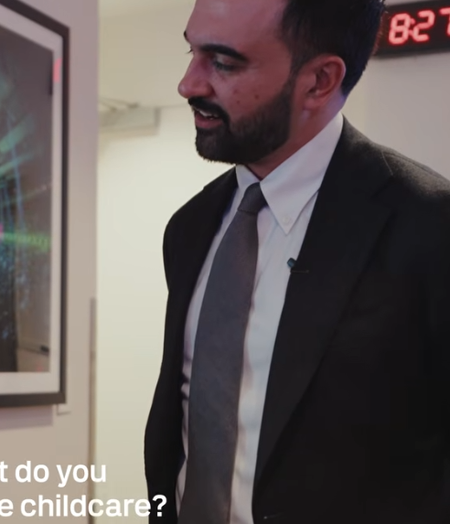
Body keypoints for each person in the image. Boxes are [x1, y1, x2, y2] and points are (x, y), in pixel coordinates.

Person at [144, 1, 450, 523]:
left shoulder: (428, 226)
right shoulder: (189, 227)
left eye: (224, 62)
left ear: (320, 81)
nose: (188, 84)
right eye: (191, 52)